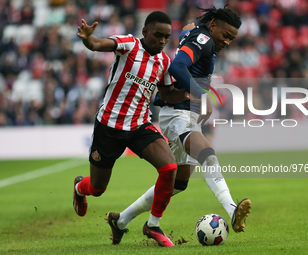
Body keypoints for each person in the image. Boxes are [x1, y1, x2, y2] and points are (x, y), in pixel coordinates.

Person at [107, 6, 252, 243]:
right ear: (213, 25)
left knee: (178, 184)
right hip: (177, 113)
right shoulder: (204, 40)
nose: (227, 41)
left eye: (232, 38)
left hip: (186, 114)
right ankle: (232, 209)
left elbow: (187, 32)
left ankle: (121, 220)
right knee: (208, 153)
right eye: (225, 35)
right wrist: (200, 94)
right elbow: (177, 66)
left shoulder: (198, 33)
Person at [72, 11, 194, 247]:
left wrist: (187, 93)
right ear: (145, 32)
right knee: (97, 188)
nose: (161, 41)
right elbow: (97, 44)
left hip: (140, 125)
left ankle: (153, 225)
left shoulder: (164, 62)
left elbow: (167, 94)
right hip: (109, 126)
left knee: (169, 168)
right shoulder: (129, 45)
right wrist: (88, 38)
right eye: (157, 35)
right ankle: (79, 187)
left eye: (166, 37)